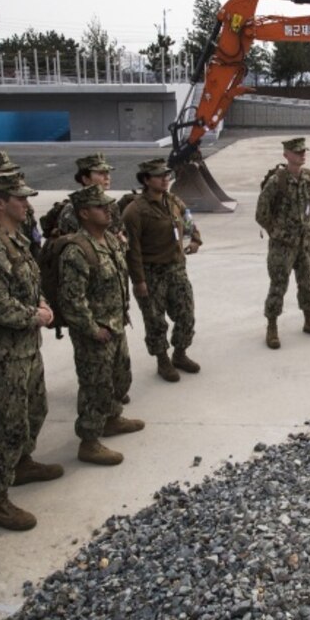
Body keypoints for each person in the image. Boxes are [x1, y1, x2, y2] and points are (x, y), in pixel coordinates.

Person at [0, 172, 62, 531]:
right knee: (5, 424)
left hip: (26, 346)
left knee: (35, 409)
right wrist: (34, 315)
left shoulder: (17, 240)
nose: (26, 204)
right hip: (0, 353)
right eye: (19, 199)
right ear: (0, 204)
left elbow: (28, 282)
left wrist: (41, 302)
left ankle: (22, 463)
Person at [58, 185, 145, 466]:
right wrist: (93, 329)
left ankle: (112, 419)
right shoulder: (77, 250)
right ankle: (89, 441)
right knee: (95, 387)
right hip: (95, 333)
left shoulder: (109, 239)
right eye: (100, 207)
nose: (108, 210)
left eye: (108, 205)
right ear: (84, 213)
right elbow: (72, 300)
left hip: (116, 325)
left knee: (120, 379)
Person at [56, 151, 132, 405]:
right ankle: (95, 423)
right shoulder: (72, 218)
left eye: (108, 172)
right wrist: (90, 326)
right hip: (94, 311)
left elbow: (119, 242)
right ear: (85, 178)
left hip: (113, 309)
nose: (107, 177)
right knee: (95, 376)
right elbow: (74, 284)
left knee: (118, 372)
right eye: (101, 173)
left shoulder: (110, 217)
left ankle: (110, 409)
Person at [122, 158, 202, 382]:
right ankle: (162, 360)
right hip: (151, 272)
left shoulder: (173, 200)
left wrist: (195, 239)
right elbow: (132, 250)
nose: (165, 179)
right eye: (159, 176)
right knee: (155, 321)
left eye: (166, 175)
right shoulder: (134, 211)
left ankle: (179, 354)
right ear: (146, 180)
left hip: (176, 268)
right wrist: (139, 281)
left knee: (186, 314)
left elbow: (187, 220)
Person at [256, 137, 310, 349]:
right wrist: (278, 233)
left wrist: (307, 228)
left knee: (306, 282)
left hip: (304, 243)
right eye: (297, 152)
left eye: (303, 151)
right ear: (286, 155)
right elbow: (261, 214)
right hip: (283, 245)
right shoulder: (276, 182)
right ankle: (271, 326)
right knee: (278, 285)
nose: (301, 155)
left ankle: (309, 320)